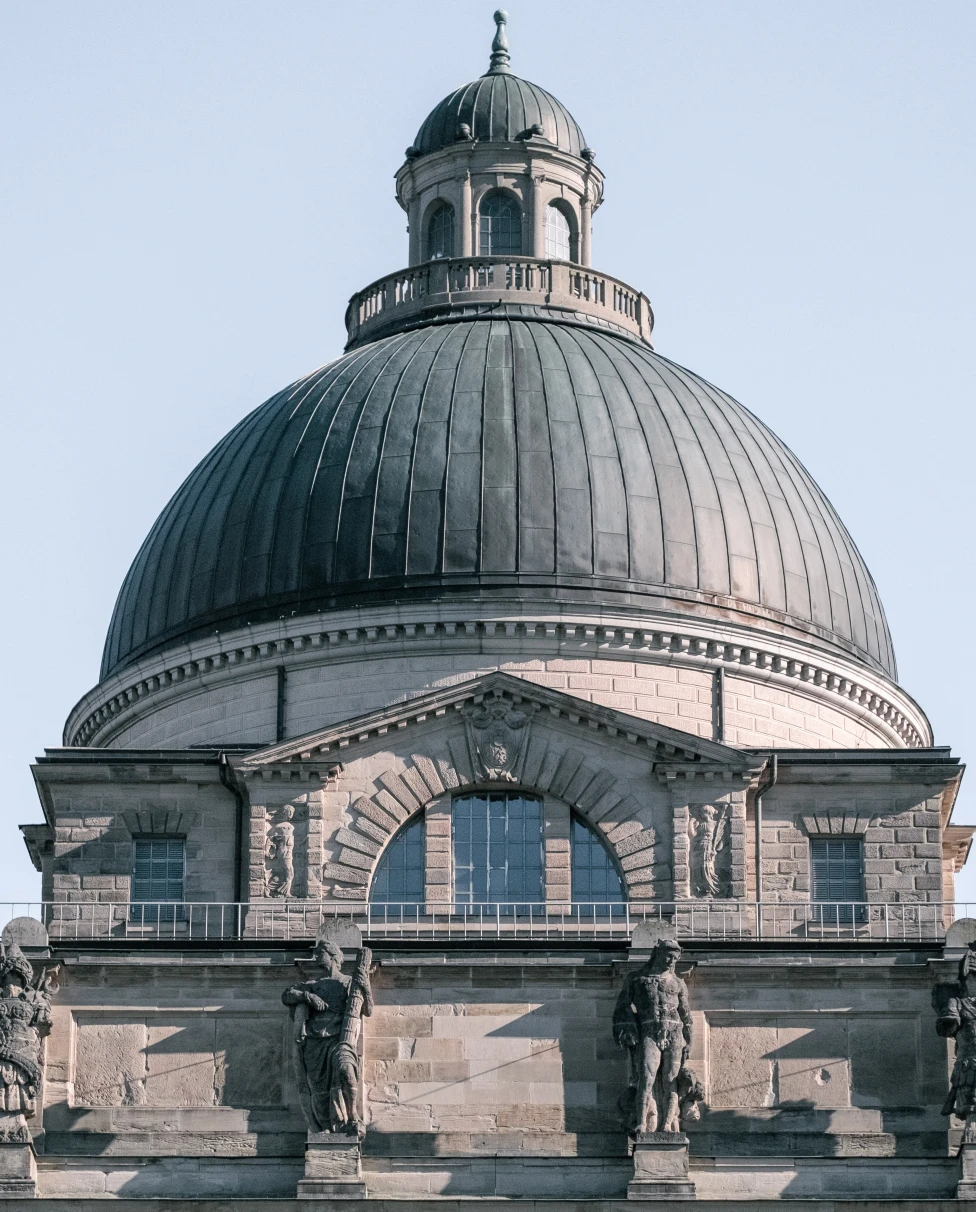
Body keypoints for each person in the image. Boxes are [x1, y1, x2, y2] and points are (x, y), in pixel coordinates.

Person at [282, 938, 372, 1134]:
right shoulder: (313, 985)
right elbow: (287, 995)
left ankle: (353, 1116)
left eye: (320, 953)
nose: (316, 957)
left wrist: (365, 986)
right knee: (319, 1089)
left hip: (340, 1040)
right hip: (315, 1042)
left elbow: (368, 1009)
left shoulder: (349, 982)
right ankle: (325, 1127)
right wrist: (308, 997)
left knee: (347, 1072)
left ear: (332, 956)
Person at [613, 938, 693, 1135]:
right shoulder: (637, 978)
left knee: (670, 1079)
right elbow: (622, 1007)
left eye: (674, 958)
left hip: (674, 1032)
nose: (670, 961)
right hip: (648, 1030)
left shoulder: (678, 983)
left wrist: (689, 1041)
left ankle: (667, 1124)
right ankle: (641, 1122)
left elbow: (686, 1015)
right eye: (667, 956)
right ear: (657, 954)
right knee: (646, 1078)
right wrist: (628, 1028)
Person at [0, 943, 57, 1117]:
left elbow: (41, 1024)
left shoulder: (32, 999)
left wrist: (44, 1002)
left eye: (16, 977)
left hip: (23, 1050)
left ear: (23, 979)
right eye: (10, 976)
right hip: (3, 1049)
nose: (13, 981)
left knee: (18, 1089)